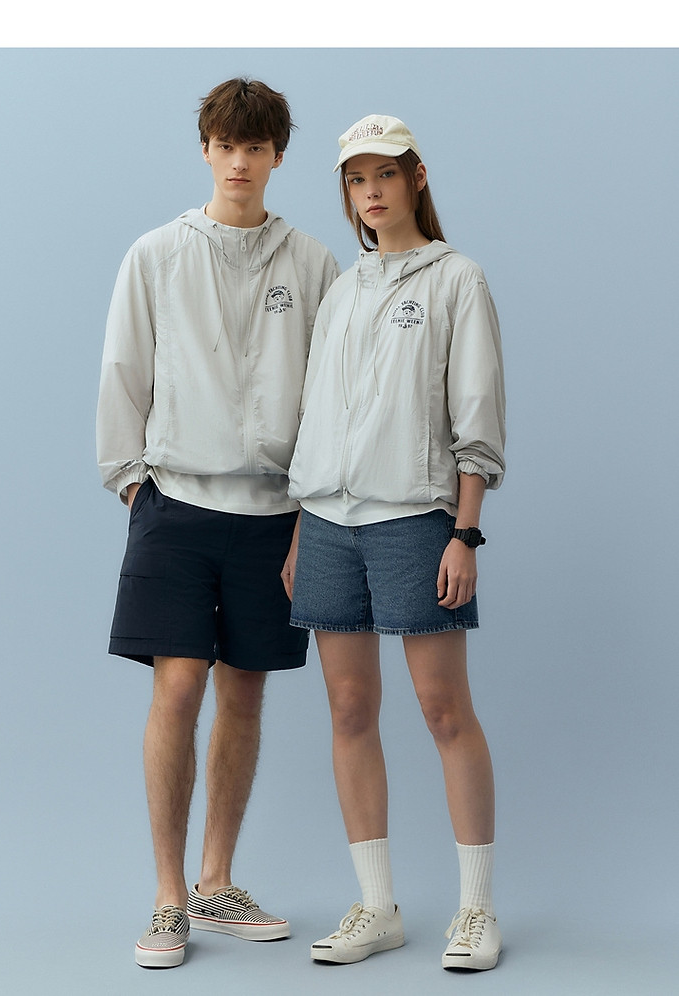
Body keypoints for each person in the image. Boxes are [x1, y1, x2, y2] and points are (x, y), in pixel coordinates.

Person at [96, 77, 339, 969]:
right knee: (177, 687)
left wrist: (310, 514)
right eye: (226, 145)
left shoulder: (313, 264)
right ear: (205, 148)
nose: (239, 161)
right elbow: (123, 372)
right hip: (174, 505)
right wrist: (135, 488)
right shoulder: (156, 254)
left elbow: (330, 398)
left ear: (278, 155)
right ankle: (168, 898)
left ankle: (216, 881)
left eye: (256, 147)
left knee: (245, 690)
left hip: (276, 513)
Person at [283, 114, 506, 971]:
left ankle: (476, 911)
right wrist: (301, 528)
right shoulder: (342, 290)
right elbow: (317, 415)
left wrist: (465, 533)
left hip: (415, 520)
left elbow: (475, 415)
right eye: (355, 178)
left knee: (444, 709)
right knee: (349, 710)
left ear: (416, 177)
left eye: (385, 173)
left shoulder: (457, 279)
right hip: (327, 523)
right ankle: (377, 908)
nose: (370, 191)